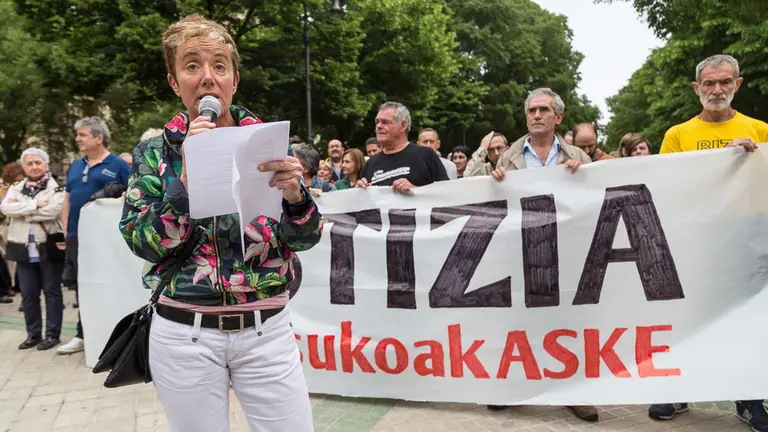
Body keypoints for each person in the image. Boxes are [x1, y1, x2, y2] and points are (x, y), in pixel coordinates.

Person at [119, 15, 322, 431]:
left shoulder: (269, 143)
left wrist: (295, 197)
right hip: (184, 337)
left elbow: (304, 238)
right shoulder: (154, 155)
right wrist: (185, 185)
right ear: (175, 82)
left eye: (219, 66)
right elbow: (143, 242)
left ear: (234, 78)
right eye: (192, 65)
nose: (207, 77)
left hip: (267, 333)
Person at [650, 54, 768, 432]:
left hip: (746, 243)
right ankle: (682, 388)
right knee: (689, 317)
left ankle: (749, 398)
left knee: (745, 320)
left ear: (738, 84)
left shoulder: (761, 130)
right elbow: (664, 187)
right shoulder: (677, 135)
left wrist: (756, 160)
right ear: (696, 88)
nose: (717, 90)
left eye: (725, 82)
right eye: (709, 83)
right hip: (696, 242)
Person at [488, 88, 596, 423]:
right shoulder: (508, 157)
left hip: (566, 250)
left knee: (569, 322)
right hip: (521, 249)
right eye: (531, 110)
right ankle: (515, 387)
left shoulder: (578, 154)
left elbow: (594, 200)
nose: (536, 115)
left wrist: (584, 176)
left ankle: (574, 392)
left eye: (543, 110)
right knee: (519, 321)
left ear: (558, 117)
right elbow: (486, 200)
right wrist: (494, 179)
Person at [57, 117, 131, 355]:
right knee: (82, 285)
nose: (77, 138)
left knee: (109, 282)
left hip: (107, 240)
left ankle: (113, 333)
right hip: (77, 236)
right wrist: (66, 229)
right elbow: (68, 199)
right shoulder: (75, 166)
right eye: (77, 135)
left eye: (82, 135)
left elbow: (133, 193)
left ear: (99, 138)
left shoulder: (118, 164)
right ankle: (82, 334)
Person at [0, 148, 65, 350]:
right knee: (28, 294)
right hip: (21, 247)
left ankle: (53, 334)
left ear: (45, 164)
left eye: (38, 162)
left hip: (47, 245)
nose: (34, 167)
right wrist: (35, 205)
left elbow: (54, 210)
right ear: (23, 166)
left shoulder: (56, 188)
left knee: (52, 292)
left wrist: (24, 212)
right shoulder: (17, 187)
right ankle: (33, 334)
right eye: (29, 163)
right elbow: (5, 208)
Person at [356, 102, 448, 192]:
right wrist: (359, 191)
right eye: (377, 122)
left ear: (403, 126)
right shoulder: (371, 163)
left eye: (385, 122)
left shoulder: (425, 155)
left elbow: (447, 193)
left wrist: (415, 190)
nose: (378, 126)